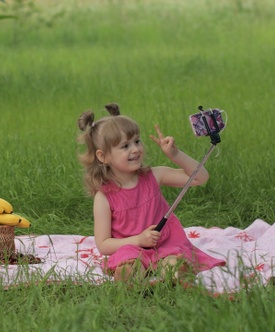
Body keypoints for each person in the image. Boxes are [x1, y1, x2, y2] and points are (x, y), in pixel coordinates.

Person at [76, 103, 225, 283]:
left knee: (173, 261)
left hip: (166, 244)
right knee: (129, 265)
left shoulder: (154, 175)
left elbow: (200, 178)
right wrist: (138, 240)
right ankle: (130, 278)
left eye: (137, 141)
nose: (135, 149)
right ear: (103, 156)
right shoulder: (104, 198)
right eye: (125, 146)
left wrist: (175, 155)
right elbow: (104, 244)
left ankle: (175, 274)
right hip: (131, 248)